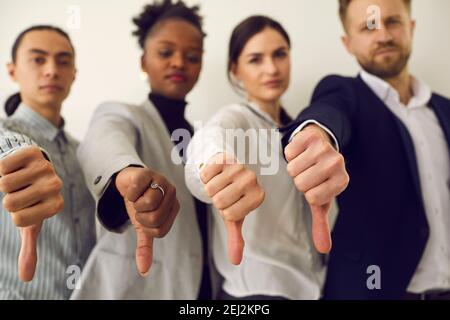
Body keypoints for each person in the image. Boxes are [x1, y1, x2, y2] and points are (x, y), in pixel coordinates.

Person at [281, 0, 450, 300]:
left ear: (410, 28)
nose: (382, 34)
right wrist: (317, 132)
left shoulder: (444, 110)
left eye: (393, 21)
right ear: (348, 43)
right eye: (368, 26)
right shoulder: (345, 94)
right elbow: (327, 112)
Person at [185, 16, 349, 300]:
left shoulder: (303, 130)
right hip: (254, 294)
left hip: (312, 288)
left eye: (280, 54)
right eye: (255, 59)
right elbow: (207, 143)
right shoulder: (234, 119)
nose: (271, 68)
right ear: (235, 70)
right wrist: (212, 168)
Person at [72, 0, 222, 299]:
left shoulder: (205, 139)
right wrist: (123, 173)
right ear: (144, 62)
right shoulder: (122, 114)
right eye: (165, 52)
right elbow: (104, 139)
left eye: (192, 56)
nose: (179, 62)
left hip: (205, 291)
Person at [0, 25, 96, 299]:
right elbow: (5, 144)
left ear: (73, 73)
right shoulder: (5, 131)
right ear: (12, 71)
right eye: (38, 59)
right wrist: (18, 155)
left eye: (63, 61)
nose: (52, 70)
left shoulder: (83, 152)